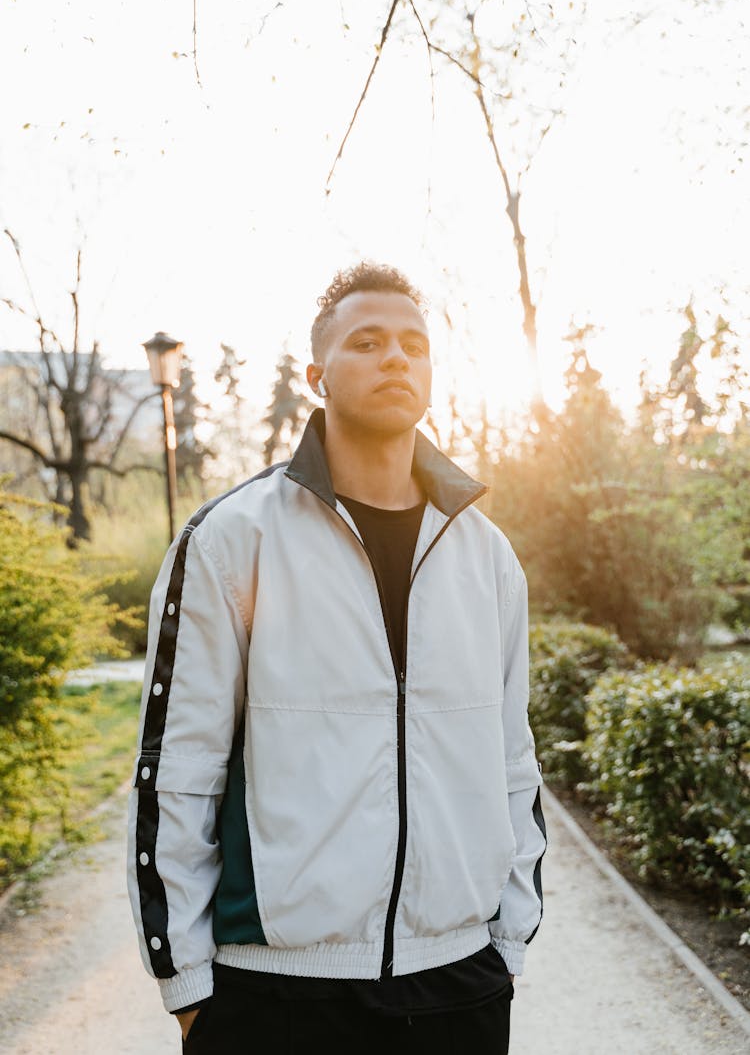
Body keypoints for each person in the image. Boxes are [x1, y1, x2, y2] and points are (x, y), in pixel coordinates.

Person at [127, 261, 546, 1054]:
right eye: (368, 340)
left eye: (413, 344)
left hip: (460, 984)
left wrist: (509, 942)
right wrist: (189, 989)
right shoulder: (231, 541)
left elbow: (513, 764)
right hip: (278, 995)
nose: (396, 357)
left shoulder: (488, 558)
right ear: (318, 374)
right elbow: (175, 770)